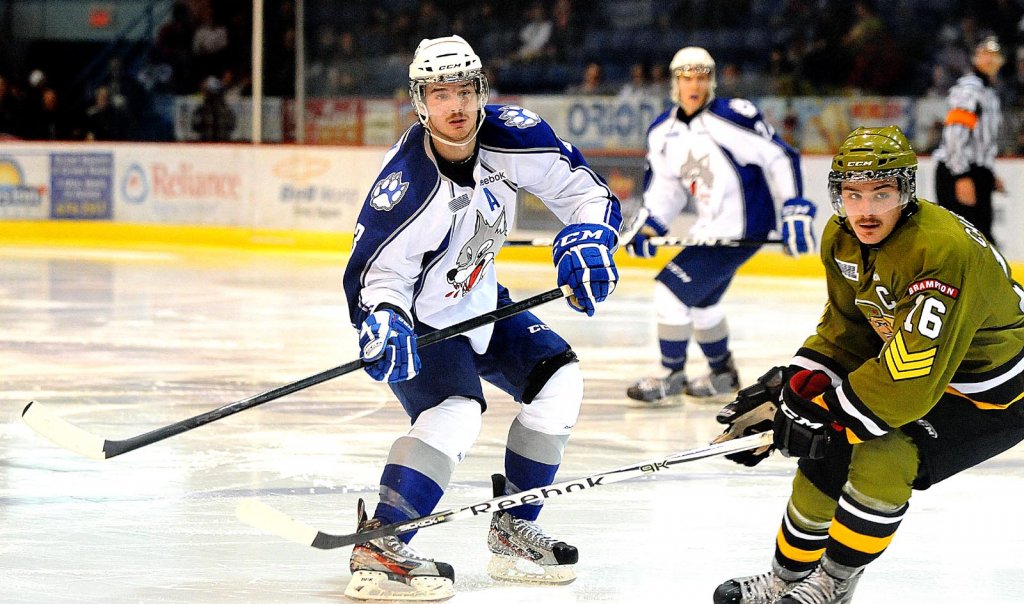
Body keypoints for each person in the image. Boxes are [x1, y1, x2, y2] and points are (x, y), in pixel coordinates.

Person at [341, 35, 621, 601]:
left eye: (465, 91)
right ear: (420, 103)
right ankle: (382, 541)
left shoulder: (512, 136)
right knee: (456, 411)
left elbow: (584, 193)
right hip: (421, 318)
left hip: (480, 299)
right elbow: (376, 275)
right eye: (441, 94)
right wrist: (385, 318)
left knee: (560, 381)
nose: (456, 106)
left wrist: (590, 236)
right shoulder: (407, 186)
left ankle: (514, 527)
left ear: (481, 92)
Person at [712, 125, 1024, 603]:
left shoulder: (940, 250)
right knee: (826, 449)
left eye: (882, 193)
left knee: (884, 452)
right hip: (931, 371)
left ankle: (834, 583)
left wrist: (821, 415)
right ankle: (785, 580)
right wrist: (792, 390)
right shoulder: (841, 238)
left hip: (994, 396)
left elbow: (907, 377)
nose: (866, 210)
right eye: (853, 194)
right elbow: (848, 332)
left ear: (906, 192)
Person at [624, 46, 815, 406]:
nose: (694, 85)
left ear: (711, 81)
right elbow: (666, 189)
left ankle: (670, 374)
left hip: (741, 231)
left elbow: (779, 157)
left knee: (670, 291)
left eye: (702, 77)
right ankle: (722, 373)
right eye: (687, 78)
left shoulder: (733, 116)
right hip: (711, 231)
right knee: (702, 303)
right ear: (675, 82)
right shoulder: (663, 131)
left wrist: (794, 207)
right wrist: (652, 224)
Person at [933, 35, 1006, 245]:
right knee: (966, 241)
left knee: (980, 241)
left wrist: (988, 173)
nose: (990, 59)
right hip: (959, 170)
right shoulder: (969, 90)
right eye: (985, 54)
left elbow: (982, 140)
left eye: (994, 55)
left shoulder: (989, 92)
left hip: (975, 171)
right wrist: (961, 175)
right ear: (975, 57)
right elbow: (955, 134)